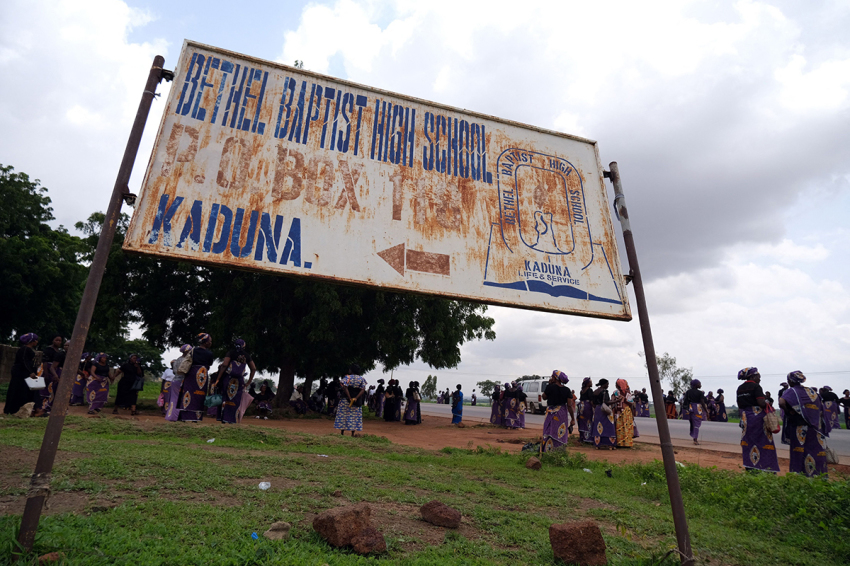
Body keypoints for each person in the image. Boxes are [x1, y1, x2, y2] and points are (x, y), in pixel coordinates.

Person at [779, 371, 831, 477]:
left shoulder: (791, 391)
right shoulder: (811, 391)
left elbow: (781, 402)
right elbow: (820, 408)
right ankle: (816, 475)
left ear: (790, 381)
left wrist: (789, 412)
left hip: (799, 426)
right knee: (814, 450)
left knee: (798, 451)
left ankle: (798, 474)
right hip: (815, 427)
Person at [736, 367, 779, 473]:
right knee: (763, 442)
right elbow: (761, 403)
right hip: (758, 419)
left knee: (749, 442)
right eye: (758, 377)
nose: (760, 379)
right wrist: (767, 402)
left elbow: (740, 405)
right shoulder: (756, 387)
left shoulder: (740, 388)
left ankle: (750, 467)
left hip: (746, 418)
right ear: (753, 376)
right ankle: (766, 468)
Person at [165, 333, 215, 422]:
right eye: (210, 341)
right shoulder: (209, 353)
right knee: (200, 395)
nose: (211, 343)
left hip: (191, 374)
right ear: (205, 342)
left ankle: (185, 416)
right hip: (202, 374)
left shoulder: (193, 351)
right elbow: (210, 364)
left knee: (188, 393)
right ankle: (196, 417)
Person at [216, 339, 256, 424]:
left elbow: (224, 365)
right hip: (239, 381)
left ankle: (223, 418)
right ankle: (232, 419)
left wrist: (218, 378)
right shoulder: (247, 356)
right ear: (244, 346)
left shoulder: (230, 353)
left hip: (228, 379)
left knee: (225, 398)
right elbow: (253, 368)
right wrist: (248, 382)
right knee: (236, 400)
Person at [3, 333, 39, 415]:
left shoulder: (26, 349)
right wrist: (31, 372)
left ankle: (19, 409)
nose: (37, 342)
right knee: (18, 390)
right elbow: (24, 361)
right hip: (21, 373)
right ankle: (13, 409)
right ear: (31, 341)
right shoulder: (25, 349)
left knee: (22, 390)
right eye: (36, 340)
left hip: (23, 372)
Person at [541, 371, 575, 452]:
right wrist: (573, 419)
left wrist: (549, 385)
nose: (551, 377)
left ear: (555, 378)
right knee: (560, 432)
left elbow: (544, 397)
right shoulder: (567, 390)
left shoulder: (550, 387)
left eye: (552, 376)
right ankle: (559, 451)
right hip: (562, 413)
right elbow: (569, 405)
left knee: (549, 431)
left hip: (550, 413)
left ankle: (547, 451)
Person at [335, 364, 367, 436]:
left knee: (343, 415)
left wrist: (349, 397)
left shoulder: (347, 377)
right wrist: (356, 398)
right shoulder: (361, 379)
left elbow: (345, 387)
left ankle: (342, 432)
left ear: (352, 370)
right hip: (356, 400)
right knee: (355, 416)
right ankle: (352, 433)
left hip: (346, 399)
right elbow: (363, 389)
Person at [37, 335, 63, 416]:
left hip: (53, 370)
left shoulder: (59, 351)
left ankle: (47, 407)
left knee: (51, 389)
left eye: (60, 341)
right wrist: (46, 373)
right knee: (43, 389)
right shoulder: (48, 349)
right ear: (53, 340)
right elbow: (45, 361)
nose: (58, 342)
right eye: (56, 340)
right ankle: (41, 407)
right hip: (46, 370)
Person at [591, 379, 616, 449]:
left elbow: (592, 402)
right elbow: (607, 402)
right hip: (604, 410)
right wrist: (616, 401)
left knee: (598, 426)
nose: (608, 386)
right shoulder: (605, 391)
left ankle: (597, 444)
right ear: (604, 384)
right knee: (609, 426)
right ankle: (610, 444)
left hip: (597, 410)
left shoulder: (595, 391)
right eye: (607, 384)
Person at [611, 379, 636, 448]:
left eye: (616, 384)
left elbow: (631, 403)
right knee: (622, 427)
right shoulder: (618, 393)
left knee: (623, 427)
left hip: (623, 412)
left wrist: (623, 400)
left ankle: (623, 443)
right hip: (622, 412)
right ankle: (623, 443)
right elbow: (631, 403)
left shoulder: (625, 393)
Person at [682, 380, 708, 445]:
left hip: (690, 408)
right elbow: (702, 402)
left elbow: (685, 400)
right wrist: (706, 411)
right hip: (697, 408)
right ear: (696, 385)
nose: (700, 385)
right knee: (697, 424)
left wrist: (686, 408)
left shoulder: (688, 392)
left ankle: (694, 436)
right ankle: (695, 439)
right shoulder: (700, 393)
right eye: (699, 384)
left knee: (692, 423)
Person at [577, 378, 594, 443]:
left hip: (581, 406)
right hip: (587, 406)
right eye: (590, 382)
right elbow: (591, 400)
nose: (591, 383)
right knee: (588, 421)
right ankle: (587, 438)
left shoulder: (582, 390)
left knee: (582, 421)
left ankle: (582, 437)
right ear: (587, 383)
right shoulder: (589, 390)